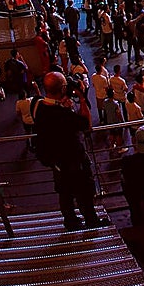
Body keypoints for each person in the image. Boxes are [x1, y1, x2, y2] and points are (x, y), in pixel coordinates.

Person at [31, 71, 100, 230]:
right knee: (84, 192)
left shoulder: (37, 104)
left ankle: (70, 221)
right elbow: (86, 124)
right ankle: (91, 221)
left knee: (65, 193)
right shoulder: (63, 115)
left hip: (56, 161)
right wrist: (82, 98)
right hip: (74, 160)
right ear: (63, 88)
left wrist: (62, 104)